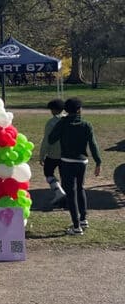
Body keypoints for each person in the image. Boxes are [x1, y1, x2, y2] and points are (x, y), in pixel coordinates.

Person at [48, 97, 102, 236]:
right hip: (82, 162)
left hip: (67, 161)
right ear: (79, 110)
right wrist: (98, 162)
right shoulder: (86, 125)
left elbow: (51, 139)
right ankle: (83, 219)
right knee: (80, 189)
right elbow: (93, 144)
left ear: (66, 110)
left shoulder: (62, 123)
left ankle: (76, 227)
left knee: (71, 193)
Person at [39, 99, 67, 207]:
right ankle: (66, 197)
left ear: (54, 110)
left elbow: (47, 140)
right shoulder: (68, 119)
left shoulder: (51, 123)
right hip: (66, 154)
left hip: (53, 154)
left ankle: (58, 192)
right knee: (64, 175)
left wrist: (42, 155)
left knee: (48, 172)